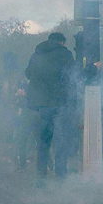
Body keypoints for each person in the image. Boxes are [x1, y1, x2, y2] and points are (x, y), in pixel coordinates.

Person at [24, 32, 77, 183]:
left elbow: (28, 74)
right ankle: (60, 176)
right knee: (61, 142)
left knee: (43, 142)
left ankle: (41, 176)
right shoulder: (65, 54)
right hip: (60, 103)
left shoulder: (37, 54)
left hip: (41, 105)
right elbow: (74, 74)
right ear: (62, 42)